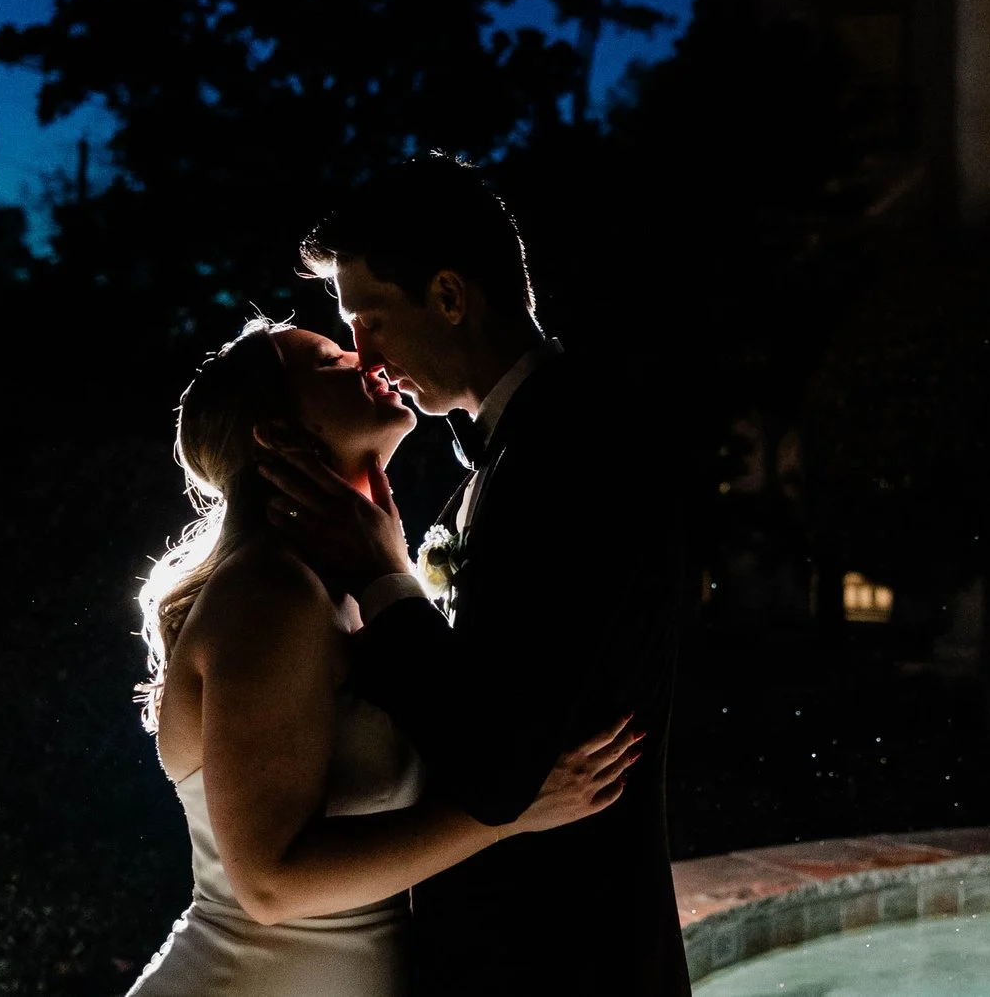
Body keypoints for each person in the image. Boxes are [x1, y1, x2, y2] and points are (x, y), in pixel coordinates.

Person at [259, 155, 693, 997]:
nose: (365, 356)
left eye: (371, 319)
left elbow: (497, 766)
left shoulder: (573, 452)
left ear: (451, 296)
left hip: (565, 964)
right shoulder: (524, 447)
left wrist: (383, 576)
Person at [128, 316, 641, 997]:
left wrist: (389, 570)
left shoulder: (336, 587)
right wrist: (510, 810)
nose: (365, 359)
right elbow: (271, 884)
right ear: (276, 432)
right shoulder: (271, 591)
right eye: (330, 361)